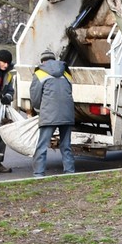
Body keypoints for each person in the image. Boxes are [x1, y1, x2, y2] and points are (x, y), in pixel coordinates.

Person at [30, 49, 76, 177]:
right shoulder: (66, 73)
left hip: (49, 114)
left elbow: (35, 97)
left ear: (43, 61)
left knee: (42, 146)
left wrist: (40, 110)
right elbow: (70, 91)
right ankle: (69, 172)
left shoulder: (39, 73)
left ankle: (39, 173)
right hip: (67, 114)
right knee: (66, 145)